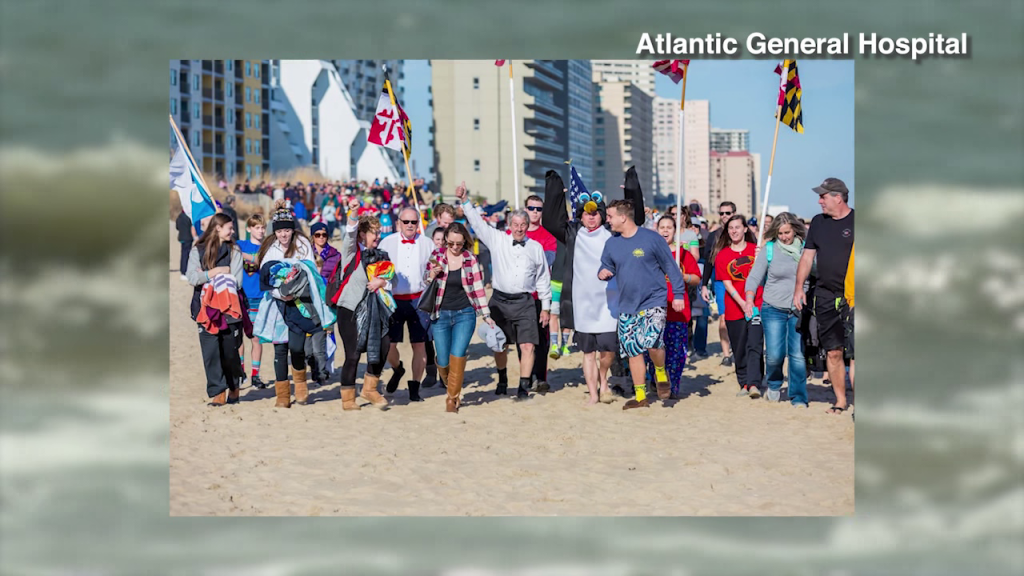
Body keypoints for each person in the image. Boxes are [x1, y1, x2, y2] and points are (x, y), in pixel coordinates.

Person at [542, 168, 645, 404]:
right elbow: (549, 220)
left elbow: (635, 218)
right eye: (587, 214)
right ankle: (595, 393)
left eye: (595, 214)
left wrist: (631, 187)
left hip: (609, 301)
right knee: (588, 352)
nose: (591, 217)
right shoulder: (572, 232)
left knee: (608, 350)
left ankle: (604, 379)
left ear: (602, 215)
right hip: (582, 302)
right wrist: (555, 190)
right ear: (580, 215)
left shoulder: (613, 232)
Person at [455, 181, 552, 400]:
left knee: (528, 345)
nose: (519, 228)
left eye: (522, 225)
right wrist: (465, 201)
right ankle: (502, 377)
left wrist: (546, 307)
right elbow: (478, 225)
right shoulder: (498, 240)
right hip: (499, 300)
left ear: (527, 226)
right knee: (499, 345)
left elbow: (543, 279)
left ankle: (524, 387)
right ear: (509, 225)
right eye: (515, 224)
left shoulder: (536, 248)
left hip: (526, 302)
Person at [599, 198, 687, 410]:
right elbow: (605, 265)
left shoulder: (652, 239)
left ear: (623, 217)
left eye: (610, 216)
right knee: (633, 350)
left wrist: (678, 294)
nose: (607, 220)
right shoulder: (611, 243)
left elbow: (671, 268)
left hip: (653, 300)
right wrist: (603, 272)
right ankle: (641, 397)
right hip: (627, 305)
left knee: (652, 341)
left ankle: (659, 372)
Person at [794, 178, 855, 415]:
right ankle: (840, 400)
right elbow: (808, 257)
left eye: (823, 196)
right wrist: (799, 287)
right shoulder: (818, 223)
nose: (819, 201)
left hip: (853, 296)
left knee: (856, 352)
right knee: (833, 351)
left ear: (837, 197)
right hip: (825, 295)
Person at [327, 198, 391, 410]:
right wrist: (353, 212)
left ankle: (369, 389)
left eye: (379, 232)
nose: (378, 236)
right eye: (375, 232)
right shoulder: (351, 252)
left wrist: (382, 281)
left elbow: (392, 278)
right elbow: (350, 233)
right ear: (364, 234)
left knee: (382, 348)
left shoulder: (382, 255)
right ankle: (347, 399)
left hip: (376, 311)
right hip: (350, 310)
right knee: (353, 354)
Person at [424, 222, 494, 412]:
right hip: (440, 314)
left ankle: (452, 398)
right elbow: (425, 281)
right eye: (451, 243)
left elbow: (478, 290)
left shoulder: (470, 259)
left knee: (458, 354)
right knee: (444, 361)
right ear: (445, 239)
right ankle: (452, 388)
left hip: (465, 314)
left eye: (459, 244)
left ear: (465, 242)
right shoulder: (437, 256)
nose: (455, 247)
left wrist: (486, 316)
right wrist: (431, 274)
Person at [256, 202, 319, 408]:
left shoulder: (302, 244)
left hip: (301, 303)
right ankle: (282, 394)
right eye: (280, 231)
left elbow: (311, 272)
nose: (283, 235)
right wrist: (280, 294)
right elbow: (265, 279)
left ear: (293, 230)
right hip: (277, 304)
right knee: (280, 349)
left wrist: (296, 291)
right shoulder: (269, 248)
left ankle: (300, 384)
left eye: (287, 230)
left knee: (297, 347)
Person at [745, 212, 809, 407]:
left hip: (798, 309)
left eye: (787, 232)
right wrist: (749, 299)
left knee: (797, 356)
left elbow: (816, 272)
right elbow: (755, 276)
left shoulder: (806, 249)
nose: (784, 237)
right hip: (772, 308)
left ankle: (798, 396)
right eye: (780, 233)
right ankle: (774, 383)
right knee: (774, 354)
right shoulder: (770, 249)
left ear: (795, 230)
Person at [186, 213, 245, 406]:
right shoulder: (198, 250)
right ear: (218, 228)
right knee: (210, 352)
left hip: (229, 308)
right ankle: (218, 391)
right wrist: (216, 272)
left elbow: (236, 281)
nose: (233, 231)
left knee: (230, 351)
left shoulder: (234, 249)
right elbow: (192, 278)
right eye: (230, 227)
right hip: (205, 309)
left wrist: (205, 276)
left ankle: (234, 387)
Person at [377, 207, 435, 402]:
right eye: (406, 222)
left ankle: (415, 386)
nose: (410, 225)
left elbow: (433, 270)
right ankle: (397, 368)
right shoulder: (387, 243)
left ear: (418, 224)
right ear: (398, 223)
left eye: (414, 222)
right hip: (393, 301)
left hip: (419, 300)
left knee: (419, 345)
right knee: (389, 346)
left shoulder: (427, 244)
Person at [645, 215, 702, 398]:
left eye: (670, 227)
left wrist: (682, 276)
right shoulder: (650, 253)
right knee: (652, 351)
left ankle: (673, 386)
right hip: (654, 308)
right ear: (657, 229)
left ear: (675, 231)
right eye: (662, 227)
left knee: (676, 353)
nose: (666, 230)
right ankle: (656, 380)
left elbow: (696, 279)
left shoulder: (683, 255)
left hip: (677, 311)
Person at [714, 214, 765, 399]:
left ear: (745, 229)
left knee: (755, 344)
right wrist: (743, 303)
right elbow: (726, 283)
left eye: (737, 227)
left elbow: (769, 273)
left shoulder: (756, 251)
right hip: (734, 307)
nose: (734, 231)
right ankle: (743, 382)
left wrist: (762, 258)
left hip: (757, 304)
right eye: (731, 228)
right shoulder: (722, 255)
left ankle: (754, 383)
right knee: (740, 347)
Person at [521, 194, 558, 392]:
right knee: (523, 340)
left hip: (541, 294)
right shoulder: (514, 233)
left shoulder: (548, 237)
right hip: (520, 295)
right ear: (525, 209)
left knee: (541, 338)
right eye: (531, 208)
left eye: (538, 209)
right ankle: (526, 377)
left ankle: (540, 378)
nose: (535, 212)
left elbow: (547, 261)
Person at [700, 201, 737, 365]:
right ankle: (726, 354)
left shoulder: (744, 233)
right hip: (720, 281)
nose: (724, 216)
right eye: (721, 213)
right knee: (723, 317)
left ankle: (738, 349)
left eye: (728, 213)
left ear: (734, 213)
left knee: (740, 318)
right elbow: (708, 262)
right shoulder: (714, 236)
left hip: (740, 281)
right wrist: (703, 285)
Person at [305, 222, 341, 387]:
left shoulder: (335, 255)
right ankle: (313, 364)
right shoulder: (304, 253)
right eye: (317, 234)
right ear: (312, 236)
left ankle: (323, 368)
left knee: (327, 335)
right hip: (308, 300)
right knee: (309, 337)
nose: (321, 238)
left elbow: (340, 276)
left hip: (328, 300)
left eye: (324, 235)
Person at [237, 213, 268, 389]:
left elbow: (259, 260)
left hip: (259, 297)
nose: (261, 230)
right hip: (241, 296)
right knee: (239, 338)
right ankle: (241, 373)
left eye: (263, 227)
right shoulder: (240, 244)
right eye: (257, 227)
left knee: (256, 338)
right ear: (249, 229)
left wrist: (242, 255)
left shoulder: (267, 247)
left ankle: (256, 374)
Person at [175, 208, 196, 281]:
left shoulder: (179, 217)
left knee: (183, 254)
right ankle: (184, 271)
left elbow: (177, 227)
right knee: (186, 255)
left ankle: (183, 270)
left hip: (182, 238)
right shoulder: (189, 217)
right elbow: (193, 227)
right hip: (188, 238)